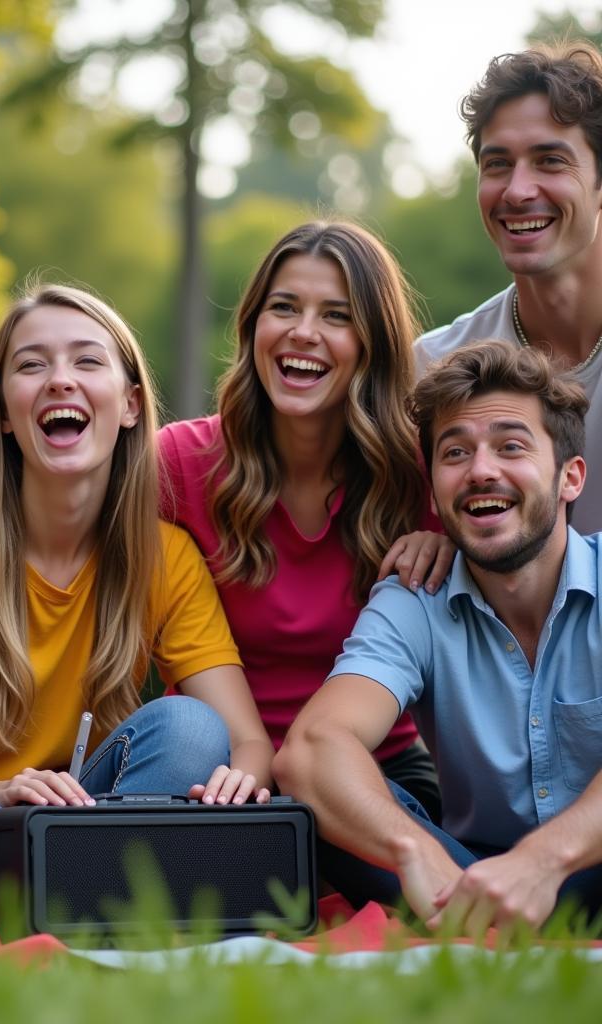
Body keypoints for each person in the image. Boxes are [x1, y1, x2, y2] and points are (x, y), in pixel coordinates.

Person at [0, 284, 275, 905]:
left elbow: (246, 739)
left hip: (76, 815)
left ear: (132, 404)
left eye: (87, 361)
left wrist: (234, 783)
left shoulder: (164, 556)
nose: (60, 380)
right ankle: (106, 896)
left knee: (192, 730)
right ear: (4, 412)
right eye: (32, 365)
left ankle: (72, 896)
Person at [274, 341, 602, 934]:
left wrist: (541, 862)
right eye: (456, 452)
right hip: (461, 872)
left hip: (591, 865)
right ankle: (481, 916)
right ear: (433, 490)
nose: (481, 470)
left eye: (511, 446)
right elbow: (313, 749)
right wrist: (414, 851)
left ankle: (488, 923)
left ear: (570, 477)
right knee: (320, 807)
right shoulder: (415, 598)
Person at [159, 222, 446, 821]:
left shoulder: (421, 474)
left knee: (380, 842)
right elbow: (55, 517)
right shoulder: (178, 463)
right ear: (252, 327)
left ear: (375, 342)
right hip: (213, 772)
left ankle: (474, 897)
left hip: (373, 766)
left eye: (337, 316)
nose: (303, 333)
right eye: (283, 307)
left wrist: (451, 548)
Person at [416, 43, 602, 533]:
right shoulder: (430, 369)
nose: (517, 191)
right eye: (497, 164)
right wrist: (430, 543)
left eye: (550, 161)